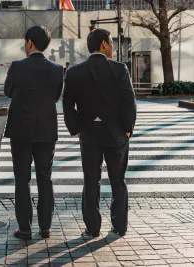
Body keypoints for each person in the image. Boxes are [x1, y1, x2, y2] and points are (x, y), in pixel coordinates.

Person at [63, 29, 136, 237]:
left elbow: (67, 105)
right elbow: (128, 102)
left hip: (89, 133)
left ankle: (92, 228)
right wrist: (128, 129)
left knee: (91, 180)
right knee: (118, 181)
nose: (113, 46)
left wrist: (76, 128)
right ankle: (119, 226)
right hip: (116, 134)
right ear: (104, 44)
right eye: (111, 42)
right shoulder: (120, 69)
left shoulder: (75, 72)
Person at [4, 26, 63, 240]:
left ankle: (25, 228)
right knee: (45, 178)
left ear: (29, 43)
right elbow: (56, 96)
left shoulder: (17, 66)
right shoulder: (57, 69)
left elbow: (7, 91)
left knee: (22, 179)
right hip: (46, 129)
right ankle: (45, 226)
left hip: (20, 130)